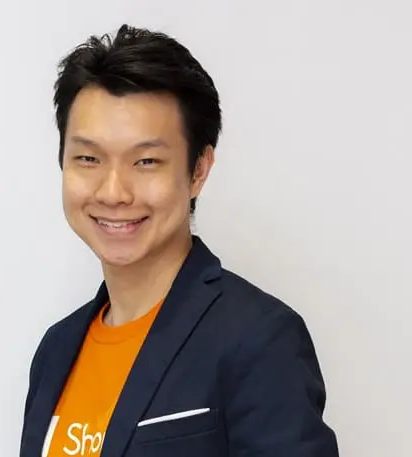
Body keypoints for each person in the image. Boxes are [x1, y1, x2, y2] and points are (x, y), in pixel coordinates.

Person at [19, 24, 339, 457]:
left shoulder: (258, 339)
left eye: (146, 161)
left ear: (198, 170)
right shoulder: (56, 350)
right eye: (89, 158)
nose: (113, 192)